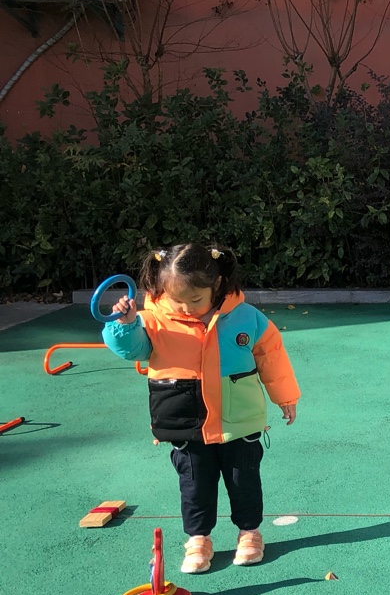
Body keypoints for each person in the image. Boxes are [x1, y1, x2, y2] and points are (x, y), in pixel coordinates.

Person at [103, 244, 300, 572]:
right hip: (184, 422)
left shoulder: (246, 317)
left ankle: (249, 533)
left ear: (217, 284)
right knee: (194, 485)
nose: (187, 308)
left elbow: (272, 357)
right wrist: (124, 324)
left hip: (239, 421)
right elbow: (132, 350)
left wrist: (286, 397)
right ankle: (198, 538)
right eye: (177, 300)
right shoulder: (152, 320)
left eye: (195, 299)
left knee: (244, 480)